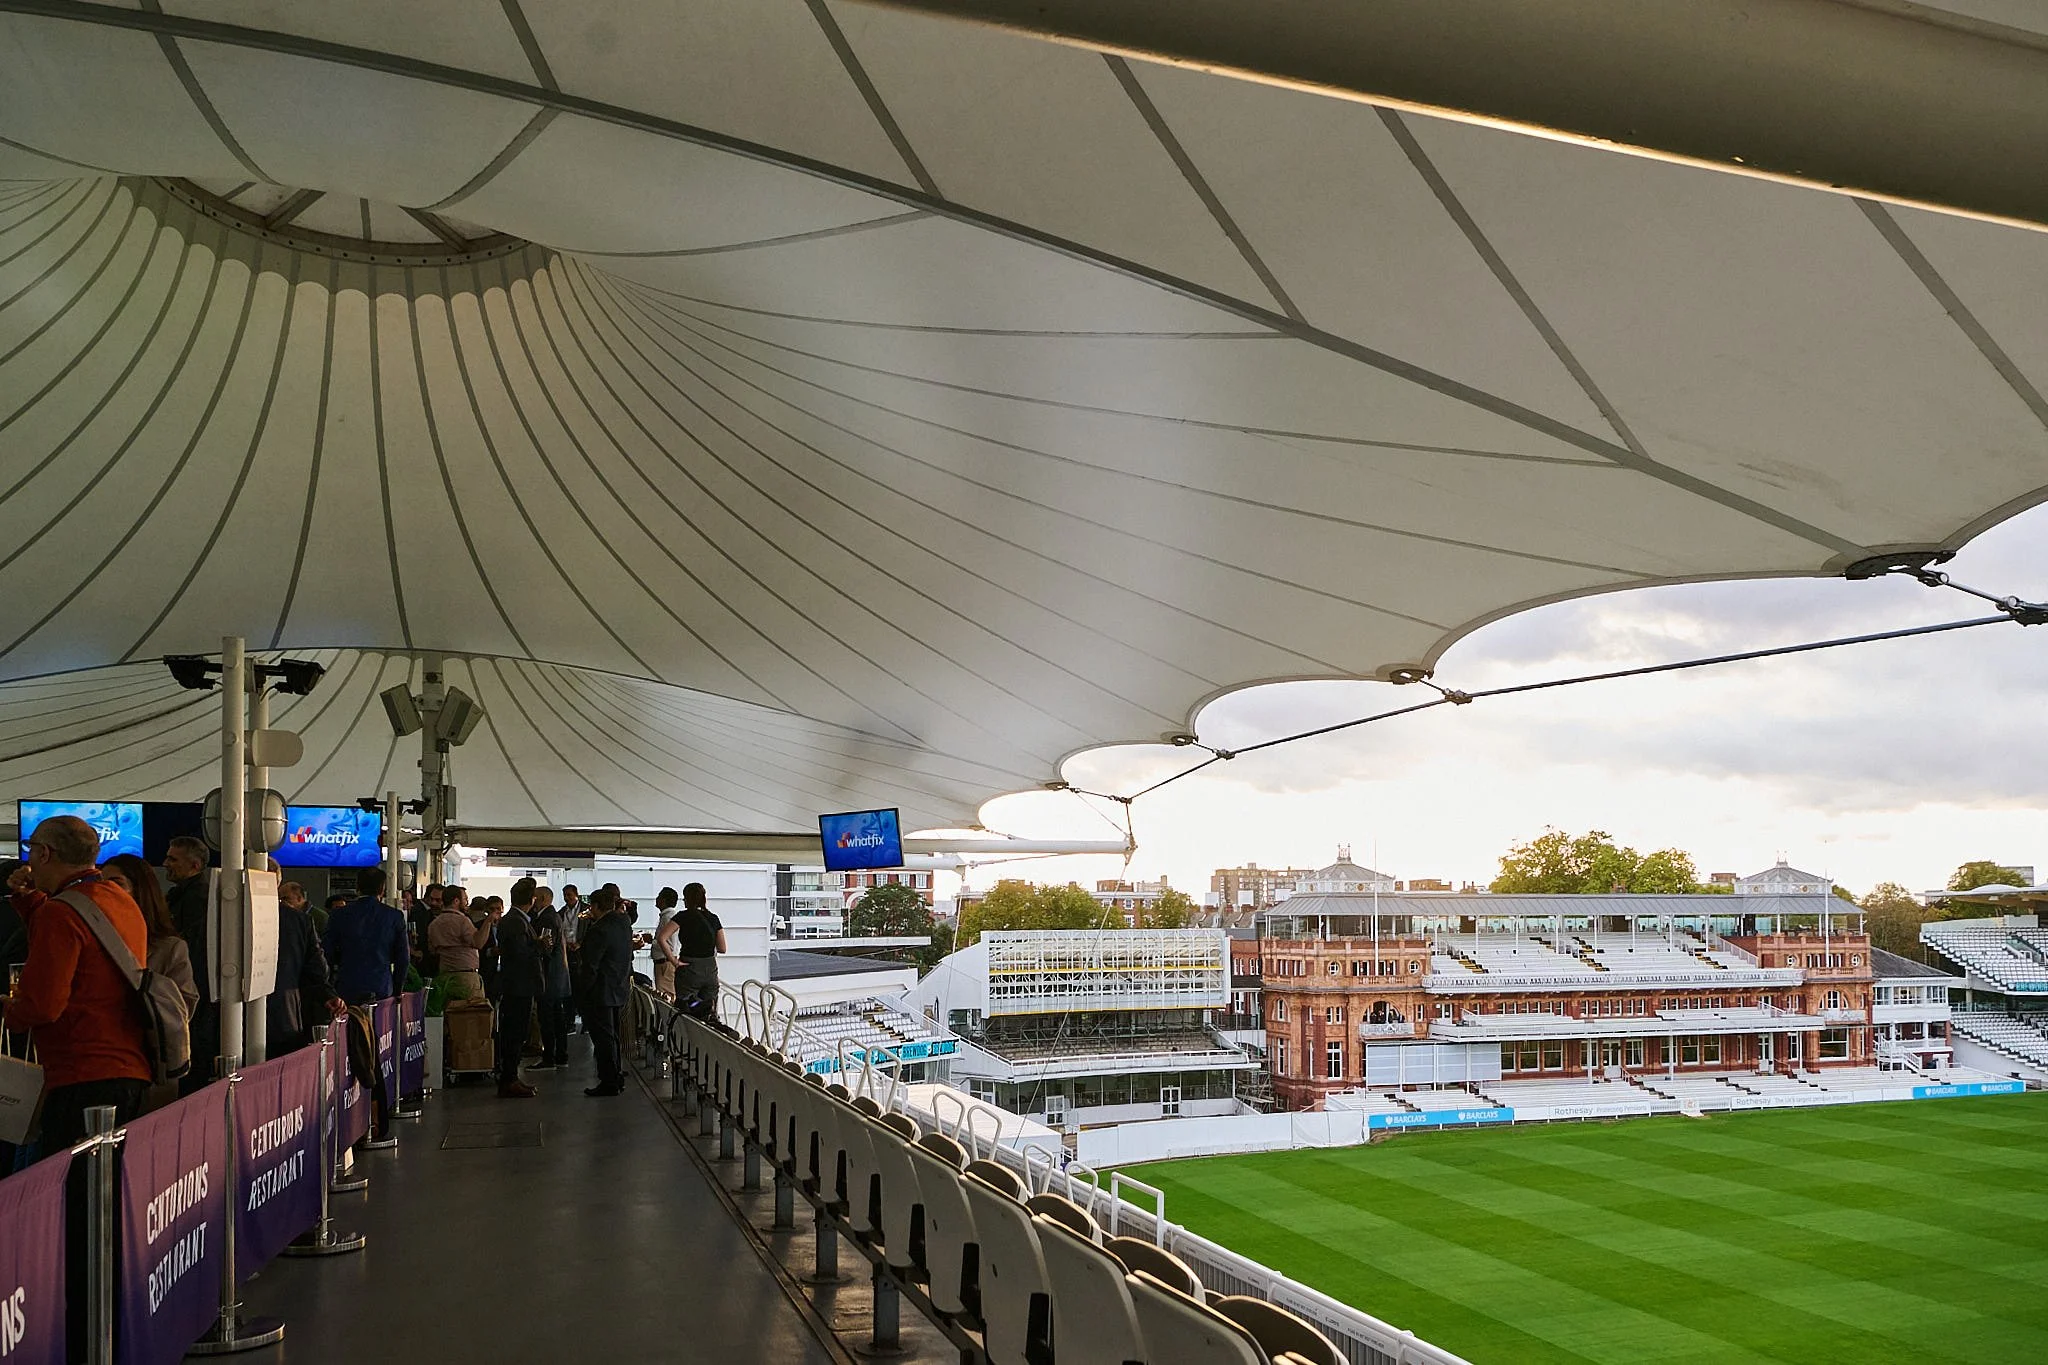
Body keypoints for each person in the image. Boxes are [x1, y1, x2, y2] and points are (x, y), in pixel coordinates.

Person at [3, 816, 151, 1147]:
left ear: (44, 854)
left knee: (76, 1189)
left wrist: (9, 1010)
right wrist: (32, 902)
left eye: (31, 850)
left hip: (82, 1072)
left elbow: (43, 1006)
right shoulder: (118, 898)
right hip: (126, 1064)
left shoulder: (59, 914)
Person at [97, 854, 199, 1025]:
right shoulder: (93, 936)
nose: (107, 890)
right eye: (101, 883)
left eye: (116, 883)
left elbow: (183, 1009)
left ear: (140, 889)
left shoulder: (170, 948)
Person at [162, 835, 217, 1092]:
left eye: (173, 859)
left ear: (194, 866)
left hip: (190, 1001)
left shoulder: (197, 900)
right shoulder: (188, 895)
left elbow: (188, 953)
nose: (165, 864)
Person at [267, 875, 339, 1056]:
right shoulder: (300, 920)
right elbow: (317, 969)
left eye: (286, 898)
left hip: (235, 1020)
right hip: (286, 1014)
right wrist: (327, 994)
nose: (283, 902)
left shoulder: (226, 911)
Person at [321, 866, 408, 1006]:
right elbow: (403, 959)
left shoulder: (338, 915)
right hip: (382, 988)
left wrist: (329, 989)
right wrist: (397, 991)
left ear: (357, 887)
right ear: (382, 889)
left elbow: (326, 954)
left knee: (350, 1026)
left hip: (347, 988)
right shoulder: (394, 916)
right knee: (381, 1027)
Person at [579, 886, 633, 1097]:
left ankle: (609, 1080)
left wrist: (584, 990)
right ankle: (616, 1074)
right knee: (613, 1036)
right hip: (619, 986)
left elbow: (591, 964)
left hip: (600, 990)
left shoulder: (599, 929)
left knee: (603, 1038)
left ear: (595, 906)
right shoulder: (623, 923)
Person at [493, 879, 543, 1099]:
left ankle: (511, 1077)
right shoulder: (516, 921)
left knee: (516, 1033)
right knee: (515, 1033)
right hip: (518, 985)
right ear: (531, 900)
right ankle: (509, 1079)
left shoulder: (516, 920)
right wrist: (538, 946)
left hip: (517, 984)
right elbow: (518, 953)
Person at [662, 882, 726, 1020]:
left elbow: (662, 938)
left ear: (688, 898)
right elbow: (722, 948)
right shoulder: (713, 918)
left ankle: (694, 1012)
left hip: (689, 968)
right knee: (709, 1011)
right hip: (710, 969)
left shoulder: (682, 916)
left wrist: (674, 961)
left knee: (686, 1008)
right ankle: (709, 1020)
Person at [530, 886, 572, 1068]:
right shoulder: (555, 916)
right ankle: (560, 1055)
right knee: (558, 1018)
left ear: (543, 898)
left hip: (548, 977)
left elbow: (546, 947)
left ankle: (549, 1058)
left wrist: (533, 946)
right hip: (557, 976)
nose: (533, 902)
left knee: (547, 1018)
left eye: (535, 898)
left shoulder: (546, 919)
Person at [426, 892, 488, 1001]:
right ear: (456, 901)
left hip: (444, 977)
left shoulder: (434, 924)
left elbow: (432, 949)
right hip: (465, 977)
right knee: (469, 1015)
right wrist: (488, 922)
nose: (467, 903)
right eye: (465, 899)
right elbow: (478, 943)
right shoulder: (463, 921)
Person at [649, 887, 680, 1000]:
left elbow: (669, 945)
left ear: (664, 900)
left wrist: (652, 941)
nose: (656, 899)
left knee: (666, 998)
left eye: (659, 896)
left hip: (665, 964)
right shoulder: (666, 917)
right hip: (663, 963)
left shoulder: (668, 917)